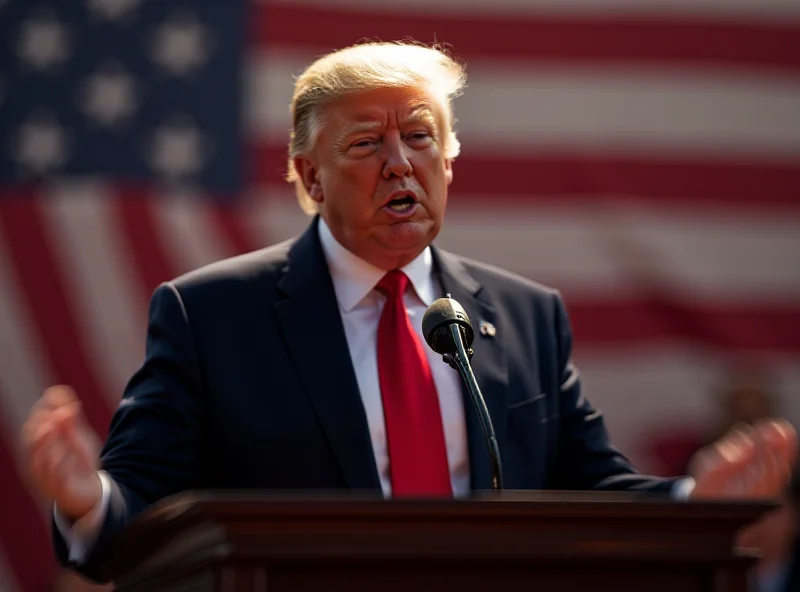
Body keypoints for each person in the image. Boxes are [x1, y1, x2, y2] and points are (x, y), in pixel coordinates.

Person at [21, 41, 797, 584]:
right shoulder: (212, 316)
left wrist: (696, 503)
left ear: (449, 159)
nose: (400, 162)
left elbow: (588, 488)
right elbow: (140, 505)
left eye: (420, 138)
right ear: (310, 176)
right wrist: (88, 500)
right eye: (366, 144)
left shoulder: (526, 316)